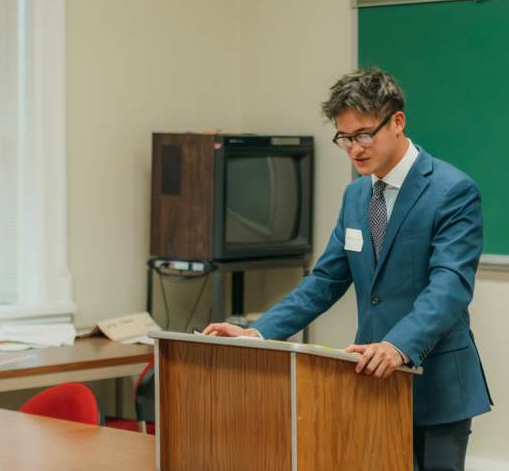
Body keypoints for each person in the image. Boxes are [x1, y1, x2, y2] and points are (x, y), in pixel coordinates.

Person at [203, 68, 492, 471]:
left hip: (435, 383)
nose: (355, 149)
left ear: (397, 122)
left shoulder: (452, 190)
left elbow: (449, 286)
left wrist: (398, 346)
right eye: (344, 138)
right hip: (370, 381)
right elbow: (325, 280)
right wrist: (259, 331)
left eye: (364, 134)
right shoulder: (357, 196)